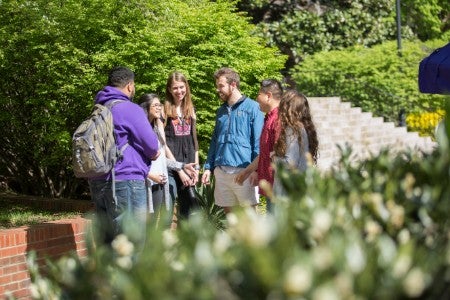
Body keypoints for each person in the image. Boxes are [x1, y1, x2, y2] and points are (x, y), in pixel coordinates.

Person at [88, 66, 160, 246]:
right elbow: (152, 146)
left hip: (98, 181)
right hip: (126, 182)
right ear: (130, 85)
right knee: (131, 244)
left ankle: (106, 275)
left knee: (108, 244)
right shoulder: (129, 109)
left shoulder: (99, 108)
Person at [201, 67, 264, 213]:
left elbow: (258, 142)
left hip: (244, 172)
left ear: (233, 85)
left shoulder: (253, 108)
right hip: (222, 172)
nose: (218, 89)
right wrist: (209, 168)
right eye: (217, 86)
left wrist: (255, 171)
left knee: (250, 218)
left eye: (221, 86)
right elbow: (215, 141)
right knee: (231, 219)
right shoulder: (221, 110)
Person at [139, 93, 197, 226]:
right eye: (155, 105)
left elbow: (161, 160)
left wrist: (181, 166)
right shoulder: (140, 130)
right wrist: (151, 175)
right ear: (145, 107)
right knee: (145, 226)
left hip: (158, 183)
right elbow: (134, 161)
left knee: (152, 226)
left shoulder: (156, 129)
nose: (159, 108)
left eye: (160, 105)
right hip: (145, 183)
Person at [234, 79, 283, 212]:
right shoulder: (269, 118)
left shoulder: (279, 119)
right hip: (271, 187)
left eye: (258, 94)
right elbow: (265, 153)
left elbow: (281, 154)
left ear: (268, 96)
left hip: (278, 189)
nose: (256, 98)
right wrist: (248, 171)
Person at [163, 72, 200, 219]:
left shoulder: (191, 109)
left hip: (190, 165)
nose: (179, 91)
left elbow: (194, 141)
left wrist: (196, 168)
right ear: (170, 90)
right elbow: (163, 143)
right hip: (171, 167)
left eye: (182, 87)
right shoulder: (164, 110)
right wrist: (179, 169)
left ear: (187, 87)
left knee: (188, 212)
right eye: (175, 88)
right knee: (167, 211)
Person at [271, 89, 319, 197]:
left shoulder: (292, 130)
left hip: (289, 190)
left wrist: (274, 157)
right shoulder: (305, 128)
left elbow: (290, 163)